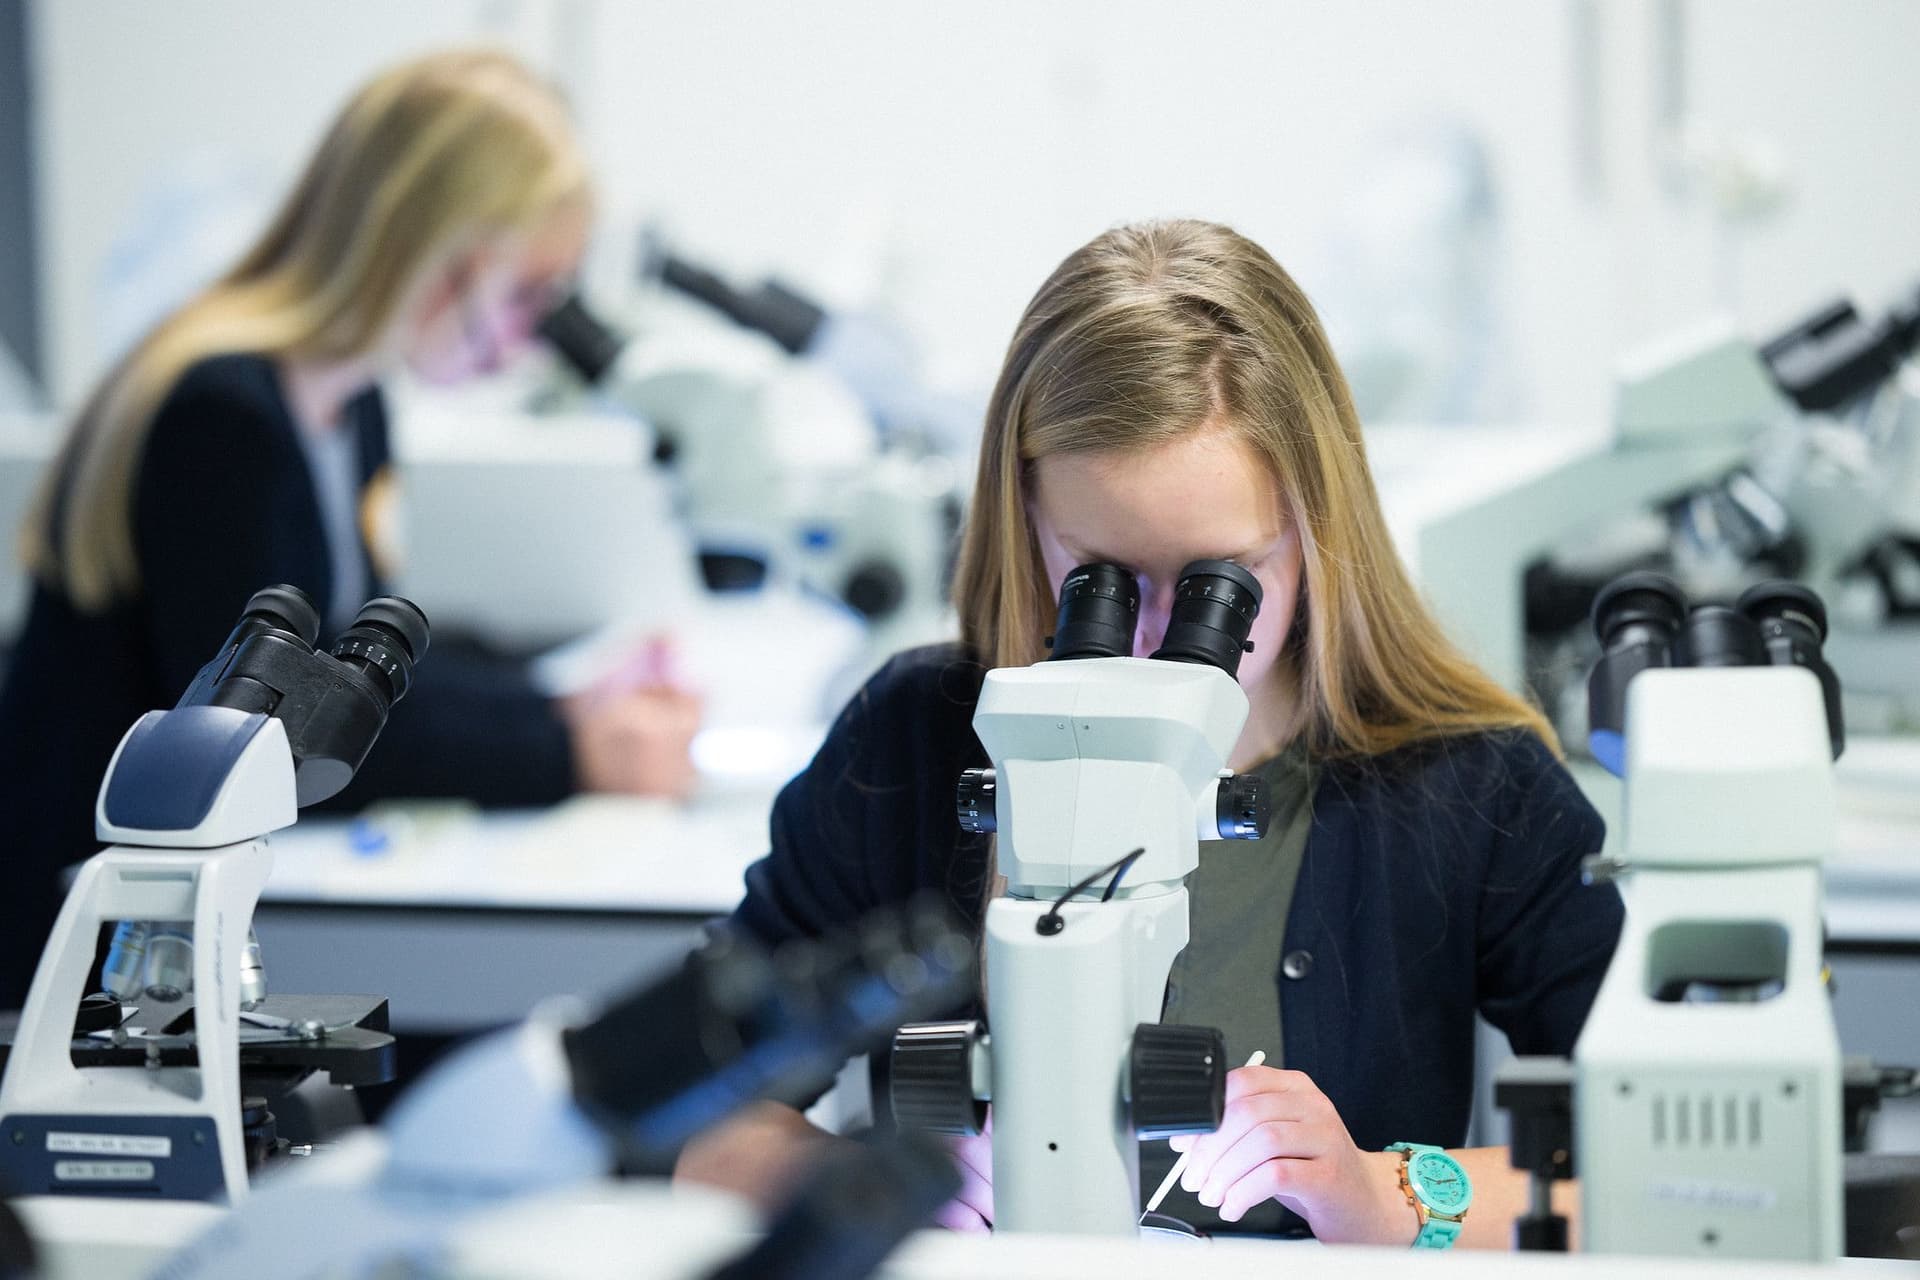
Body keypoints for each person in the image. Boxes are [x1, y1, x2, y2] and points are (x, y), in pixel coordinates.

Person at [674, 220, 1623, 1247]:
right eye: (1103, 578)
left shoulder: (1462, 780)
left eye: (1224, 581)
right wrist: (867, 1180)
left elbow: (1653, 1164)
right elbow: (694, 1122)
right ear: (1021, 513)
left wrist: (1381, 1192)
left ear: (1316, 530)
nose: (1166, 638)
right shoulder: (911, 740)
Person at [0, 47, 701, 1009]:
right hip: (77, 951)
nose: (532, 334)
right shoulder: (223, 412)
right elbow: (267, 743)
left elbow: (342, 661)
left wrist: (565, 702)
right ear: (431, 248)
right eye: (528, 291)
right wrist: (571, 751)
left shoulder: (346, 401)